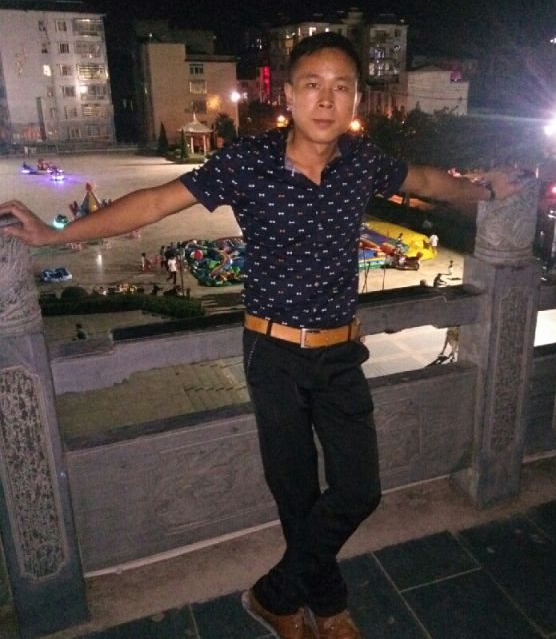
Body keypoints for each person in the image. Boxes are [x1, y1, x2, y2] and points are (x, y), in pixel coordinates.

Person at [1, 32, 523, 639]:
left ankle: (272, 595)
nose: (326, 100)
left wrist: (486, 189)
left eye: (341, 87)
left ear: (356, 99)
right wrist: (55, 235)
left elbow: (429, 181)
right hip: (272, 353)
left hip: (340, 352)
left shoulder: (362, 161)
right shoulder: (248, 162)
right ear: (290, 95)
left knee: (359, 491)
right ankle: (328, 609)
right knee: (295, 494)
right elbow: (155, 204)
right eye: (313, 85)